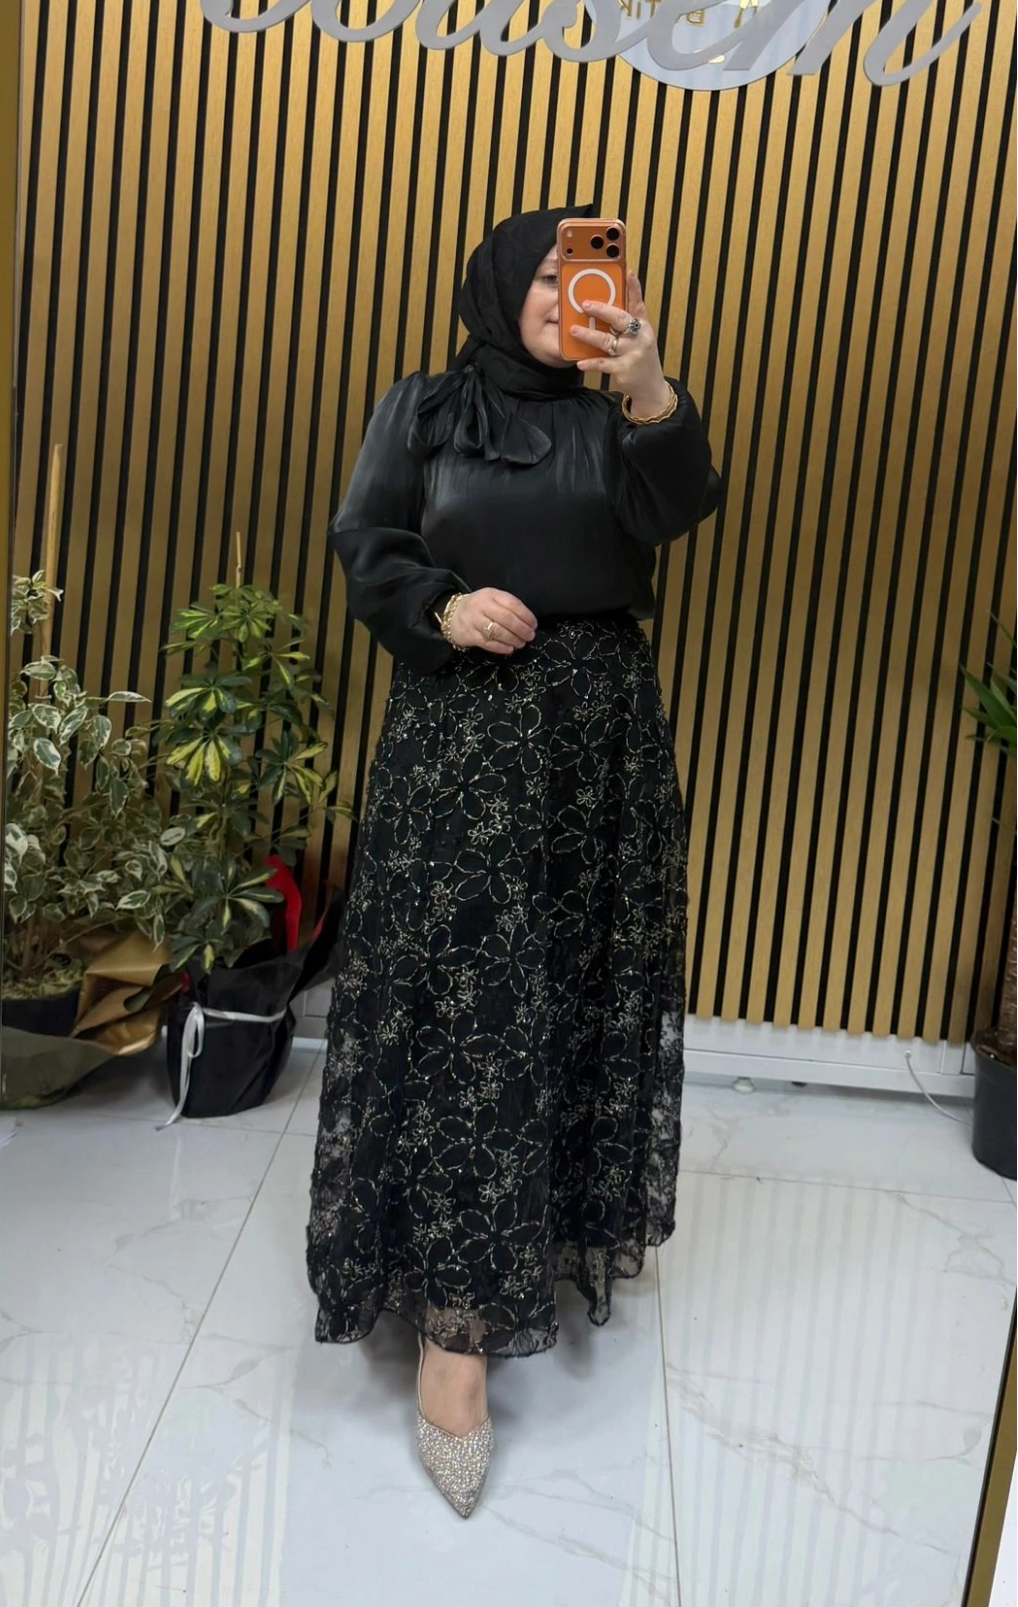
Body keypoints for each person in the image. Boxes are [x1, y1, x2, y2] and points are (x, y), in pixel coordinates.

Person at [306, 203, 723, 1516]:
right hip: (465, 733)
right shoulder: (425, 409)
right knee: (469, 1017)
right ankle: (455, 1336)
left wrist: (649, 387)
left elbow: (679, 510)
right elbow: (368, 544)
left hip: (599, 743)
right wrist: (441, 604)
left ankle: (538, 1231)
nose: (565, 294)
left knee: (575, 996)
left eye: (586, 272)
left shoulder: (625, 414)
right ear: (497, 285)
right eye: (544, 274)